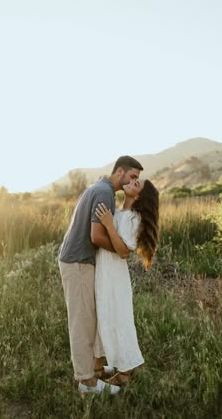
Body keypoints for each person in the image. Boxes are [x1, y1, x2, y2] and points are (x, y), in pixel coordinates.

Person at [58, 155, 144, 395]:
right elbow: (96, 236)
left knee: (89, 319)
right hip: (78, 262)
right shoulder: (105, 192)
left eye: (138, 178)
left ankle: (92, 370)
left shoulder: (99, 186)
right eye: (132, 176)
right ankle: (87, 382)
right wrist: (121, 249)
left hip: (78, 260)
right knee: (82, 323)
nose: (135, 181)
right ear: (119, 172)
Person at [93, 178, 159, 386]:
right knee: (103, 316)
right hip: (104, 271)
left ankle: (125, 372)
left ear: (138, 196)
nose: (131, 182)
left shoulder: (133, 218)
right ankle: (98, 365)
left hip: (115, 275)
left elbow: (123, 252)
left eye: (136, 184)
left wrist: (109, 224)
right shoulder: (120, 212)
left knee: (119, 320)